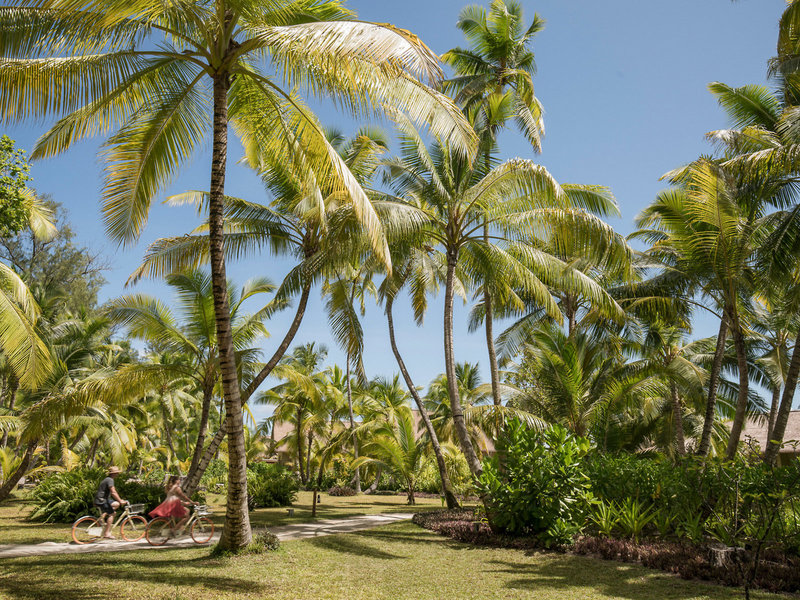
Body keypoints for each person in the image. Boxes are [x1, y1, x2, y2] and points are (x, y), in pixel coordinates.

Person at [95, 466, 127, 540]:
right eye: (117, 473)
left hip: (102, 499)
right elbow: (113, 492)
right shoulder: (110, 480)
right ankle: (107, 533)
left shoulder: (107, 479)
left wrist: (119, 501)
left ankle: (102, 516)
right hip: (102, 500)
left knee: (116, 504)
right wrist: (120, 500)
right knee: (112, 514)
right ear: (114, 474)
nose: (117, 474)